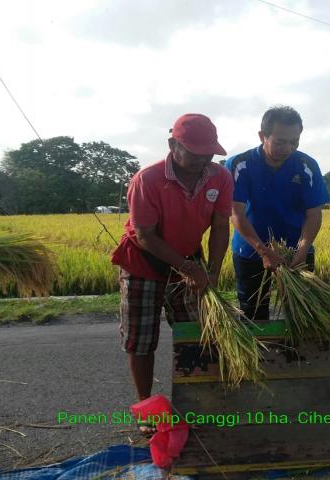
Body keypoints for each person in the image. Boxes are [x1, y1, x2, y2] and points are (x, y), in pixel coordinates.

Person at [110, 114, 233, 422]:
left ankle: (199, 400)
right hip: (143, 263)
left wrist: (213, 271)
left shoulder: (220, 177)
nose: (203, 159)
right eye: (195, 152)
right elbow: (145, 236)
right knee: (141, 340)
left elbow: (220, 227)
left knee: (196, 330)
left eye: (209, 152)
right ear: (172, 145)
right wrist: (186, 267)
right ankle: (147, 409)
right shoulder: (148, 180)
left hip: (190, 261)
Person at [226, 106, 330, 320]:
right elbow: (236, 213)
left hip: (295, 248)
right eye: (280, 142)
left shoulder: (306, 165)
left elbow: (314, 213)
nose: (288, 148)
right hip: (251, 249)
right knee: (253, 312)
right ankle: (261, 352)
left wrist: (302, 250)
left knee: (301, 311)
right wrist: (264, 252)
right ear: (262, 136)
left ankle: (296, 352)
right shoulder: (240, 164)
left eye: (294, 142)